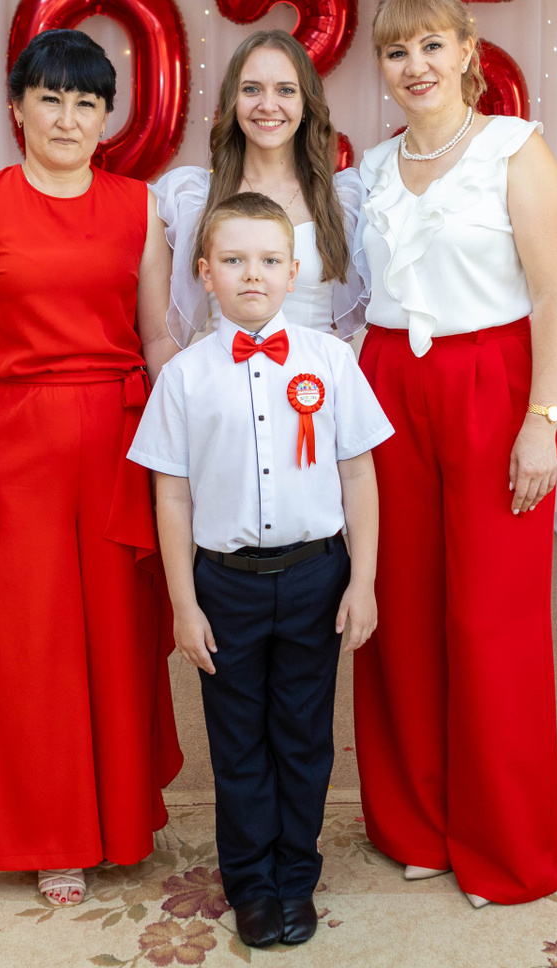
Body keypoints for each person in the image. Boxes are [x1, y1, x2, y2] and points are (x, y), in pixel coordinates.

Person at [0, 28, 182, 907]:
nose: (68, 118)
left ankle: (119, 818)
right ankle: (51, 836)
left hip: (119, 440)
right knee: (28, 645)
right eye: (51, 100)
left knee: (118, 637)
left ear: (107, 117)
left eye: (86, 102)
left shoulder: (140, 207)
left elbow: (157, 336)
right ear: (17, 109)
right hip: (16, 442)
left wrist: (190, 446)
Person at [352, 0, 557, 907]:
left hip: (491, 383)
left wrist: (542, 420)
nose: (416, 65)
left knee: (491, 619)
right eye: (397, 51)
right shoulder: (369, 169)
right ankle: (418, 824)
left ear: (468, 50)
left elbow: (554, 295)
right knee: (399, 610)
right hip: (388, 385)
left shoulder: (516, 149)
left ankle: (502, 845)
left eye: (432, 45)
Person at [129, 192, 392, 948]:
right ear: (204, 273)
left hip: (316, 577)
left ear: (294, 271)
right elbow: (171, 495)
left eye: (270, 260)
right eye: (234, 260)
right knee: (238, 742)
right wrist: (185, 604)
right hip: (224, 585)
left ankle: (294, 879)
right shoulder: (183, 377)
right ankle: (250, 885)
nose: (253, 274)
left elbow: (359, 476)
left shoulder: (331, 361)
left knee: (304, 738)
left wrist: (362, 581)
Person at [153, 30, 366, 346]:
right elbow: (162, 333)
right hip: (222, 373)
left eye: (285, 90)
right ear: (233, 100)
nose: (268, 105)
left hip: (314, 376)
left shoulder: (345, 199)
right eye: (251, 89)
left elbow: (360, 331)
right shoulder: (192, 197)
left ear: (306, 104)